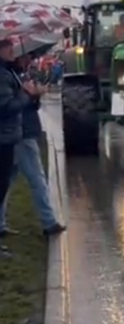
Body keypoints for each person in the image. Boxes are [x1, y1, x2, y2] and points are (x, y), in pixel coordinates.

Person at [0, 52, 65, 238]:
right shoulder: (6, 75)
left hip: (18, 132)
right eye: (25, 56)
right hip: (22, 133)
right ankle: (49, 222)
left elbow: (25, 104)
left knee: (7, 181)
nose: (28, 60)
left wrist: (34, 96)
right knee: (37, 179)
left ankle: (0, 223)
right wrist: (28, 93)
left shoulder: (13, 73)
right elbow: (10, 106)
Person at [0, 39, 39, 256]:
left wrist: (30, 94)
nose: (12, 51)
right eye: (8, 47)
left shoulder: (8, 72)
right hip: (3, 138)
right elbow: (6, 107)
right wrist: (25, 94)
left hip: (8, 138)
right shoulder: (2, 75)